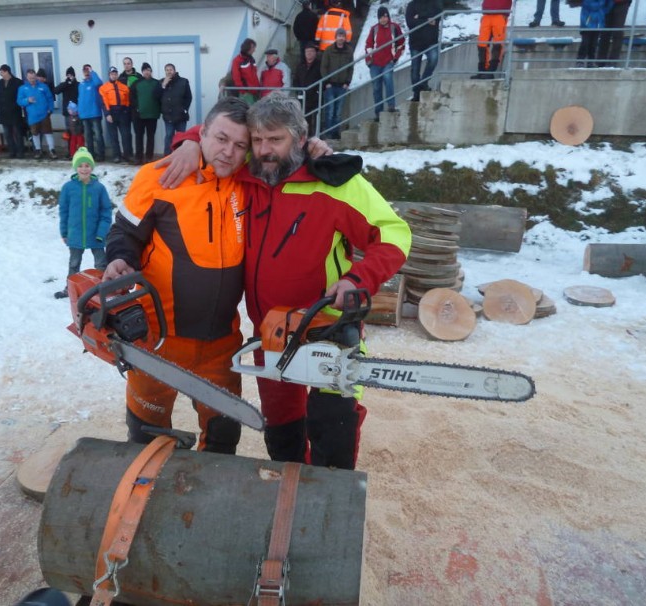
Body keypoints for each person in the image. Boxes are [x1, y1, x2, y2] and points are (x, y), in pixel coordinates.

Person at [162, 93, 412, 470]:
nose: (264, 150)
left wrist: (360, 278)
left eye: (275, 140)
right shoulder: (248, 176)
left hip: (329, 326)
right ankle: (291, 491)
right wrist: (190, 141)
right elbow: (220, 132)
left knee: (333, 425)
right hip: (271, 332)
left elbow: (394, 234)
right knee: (281, 431)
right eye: (258, 140)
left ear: (300, 138)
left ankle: (329, 500)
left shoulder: (336, 182)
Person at [102, 97, 251, 454]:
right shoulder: (160, 175)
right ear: (203, 133)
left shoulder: (251, 183)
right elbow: (124, 231)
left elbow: (283, 145)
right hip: (158, 341)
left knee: (223, 439)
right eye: (221, 138)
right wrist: (120, 259)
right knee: (147, 438)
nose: (229, 151)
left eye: (240, 145)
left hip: (221, 343)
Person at [54, 146, 112, 299]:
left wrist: (102, 232)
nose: (84, 169)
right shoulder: (68, 188)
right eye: (80, 165)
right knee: (74, 263)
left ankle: (104, 288)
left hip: (96, 235)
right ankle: (70, 289)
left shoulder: (99, 188)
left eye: (87, 165)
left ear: (91, 167)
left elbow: (106, 212)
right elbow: (64, 212)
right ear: (75, 167)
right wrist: (65, 232)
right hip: (76, 233)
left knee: (101, 264)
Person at [366, 6, 405, 117]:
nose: (384, 19)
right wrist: (369, 60)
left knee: (388, 78)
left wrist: (396, 57)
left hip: (388, 61)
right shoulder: (374, 29)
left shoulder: (394, 27)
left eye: (386, 16)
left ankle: (391, 105)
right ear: (378, 18)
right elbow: (368, 45)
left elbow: (401, 43)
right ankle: (378, 112)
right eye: (382, 17)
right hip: (375, 63)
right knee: (376, 87)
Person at [406, 0, 443, 101]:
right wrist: (427, 20)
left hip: (431, 41)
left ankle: (423, 83)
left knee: (434, 58)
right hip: (415, 42)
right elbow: (410, 23)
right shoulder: (411, 5)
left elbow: (438, 18)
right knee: (415, 70)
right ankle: (416, 94)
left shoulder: (435, 3)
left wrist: (419, 17)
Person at [320, 27, 354, 138]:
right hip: (330, 85)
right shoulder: (329, 50)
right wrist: (327, 82)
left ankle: (335, 133)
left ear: (345, 38)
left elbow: (351, 68)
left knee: (338, 111)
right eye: (339, 36)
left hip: (342, 85)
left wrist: (347, 82)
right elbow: (323, 67)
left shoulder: (349, 51)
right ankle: (329, 133)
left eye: (343, 36)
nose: (341, 38)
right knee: (329, 111)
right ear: (336, 37)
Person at [17, 68, 57, 159]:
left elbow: (50, 98)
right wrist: (27, 100)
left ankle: (52, 150)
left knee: (48, 132)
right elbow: (19, 101)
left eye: (34, 77)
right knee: (35, 133)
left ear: (36, 77)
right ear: (27, 78)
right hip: (32, 115)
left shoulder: (43, 86)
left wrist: (50, 109)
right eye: (30, 78)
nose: (32, 80)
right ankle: (38, 150)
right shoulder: (23, 88)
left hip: (44, 114)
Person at [155, 63, 192, 154]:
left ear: (174, 71)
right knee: (169, 135)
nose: (169, 71)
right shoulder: (161, 82)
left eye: (170, 69)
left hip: (181, 115)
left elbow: (189, 97)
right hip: (168, 115)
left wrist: (185, 109)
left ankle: (181, 154)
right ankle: (167, 155)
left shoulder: (183, 81)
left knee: (181, 136)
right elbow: (156, 96)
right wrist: (163, 85)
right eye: (167, 70)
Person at [471, 0, 512, 79]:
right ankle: (482, 70)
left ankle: (491, 70)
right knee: (481, 44)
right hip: (487, 13)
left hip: (500, 13)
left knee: (498, 44)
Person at [99, 66, 133, 163]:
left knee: (126, 135)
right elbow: (104, 102)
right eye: (112, 74)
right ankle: (116, 156)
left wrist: (127, 111)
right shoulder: (103, 88)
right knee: (113, 136)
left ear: (117, 75)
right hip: (111, 113)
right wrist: (107, 114)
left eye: (115, 74)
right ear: (109, 75)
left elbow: (127, 100)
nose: (114, 76)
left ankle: (128, 155)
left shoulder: (124, 87)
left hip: (123, 113)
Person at [130, 62, 160, 164]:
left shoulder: (157, 83)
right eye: (144, 70)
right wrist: (137, 108)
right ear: (142, 72)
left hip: (152, 115)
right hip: (139, 116)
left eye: (148, 70)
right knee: (139, 136)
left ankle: (149, 157)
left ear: (151, 71)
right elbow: (131, 98)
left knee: (150, 136)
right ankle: (138, 157)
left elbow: (160, 97)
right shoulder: (136, 84)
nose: (146, 72)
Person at [0, 64, 25, 159]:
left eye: (1, 71)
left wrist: (15, 106)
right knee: (7, 133)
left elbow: (20, 96)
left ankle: (20, 152)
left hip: (14, 112)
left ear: (7, 71)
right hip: (3, 112)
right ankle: (12, 151)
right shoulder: (0, 82)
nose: (0, 73)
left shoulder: (18, 82)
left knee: (17, 133)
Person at [78, 64, 106, 161]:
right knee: (88, 137)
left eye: (88, 70)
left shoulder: (94, 83)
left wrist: (92, 72)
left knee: (98, 135)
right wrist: (79, 112)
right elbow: (80, 99)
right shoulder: (81, 84)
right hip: (84, 115)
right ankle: (91, 155)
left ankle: (101, 154)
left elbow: (99, 83)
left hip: (94, 113)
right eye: (85, 70)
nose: (86, 72)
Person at [294, 41, 323, 136]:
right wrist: (298, 91)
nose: (309, 53)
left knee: (317, 116)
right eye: (307, 51)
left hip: (315, 95)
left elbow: (323, 78)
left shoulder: (319, 65)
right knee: (304, 118)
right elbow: (296, 79)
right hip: (303, 96)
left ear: (315, 53)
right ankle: (306, 135)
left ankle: (318, 135)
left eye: (311, 51)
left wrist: (319, 91)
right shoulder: (300, 65)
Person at [576, 0, 612, 67]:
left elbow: (609, 5)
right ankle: (580, 60)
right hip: (587, 22)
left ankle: (591, 61)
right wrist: (602, 4)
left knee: (593, 44)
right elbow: (591, 5)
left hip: (598, 22)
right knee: (585, 42)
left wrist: (603, 11)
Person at [596, 0, 632, 66]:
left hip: (622, 3)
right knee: (604, 32)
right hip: (606, 3)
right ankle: (600, 60)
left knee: (618, 32)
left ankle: (613, 61)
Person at [230, 38, 260, 104]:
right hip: (246, 94)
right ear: (247, 47)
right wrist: (243, 91)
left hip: (255, 92)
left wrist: (258, 88)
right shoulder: (237, 60)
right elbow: (236, 78)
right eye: (253, 47)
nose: (254, 50)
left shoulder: (251, 59)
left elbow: (254, 75)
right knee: (248, 112)